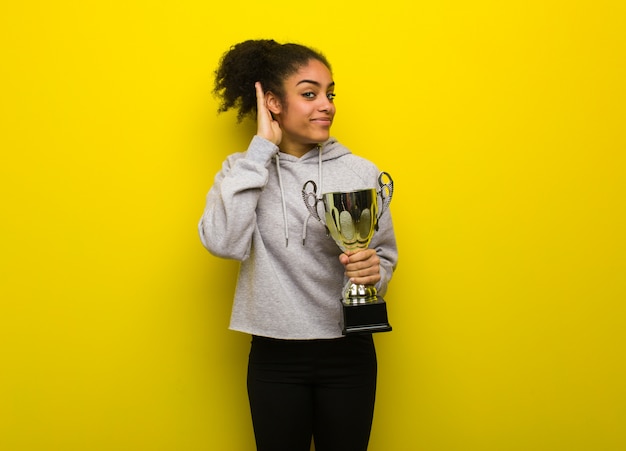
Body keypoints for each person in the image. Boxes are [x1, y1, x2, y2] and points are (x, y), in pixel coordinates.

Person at [198, 39, 398, 451]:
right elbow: (222, 242)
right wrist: (259, 153)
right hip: (275, 354)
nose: (326, 105)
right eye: (309, 94)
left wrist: (375, 272)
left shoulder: (359, 171)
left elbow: (383, 254)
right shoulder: (242, 171)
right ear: (273, 102)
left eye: (329, 94)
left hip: (349, 351)